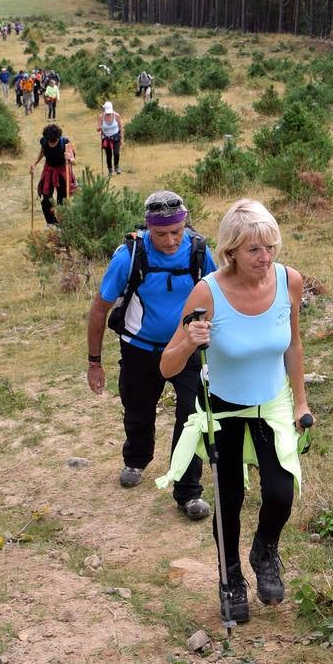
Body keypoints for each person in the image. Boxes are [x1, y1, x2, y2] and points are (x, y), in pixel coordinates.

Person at [159, 198, 313, 624]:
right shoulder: (208, 291)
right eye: (253, 250)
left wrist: (301, 400)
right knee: (228, 499)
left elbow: (294, 345)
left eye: (270, 247)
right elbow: (167, 365)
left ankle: (265, 550)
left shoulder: (289, 282)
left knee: (281, 493)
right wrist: (190, 340)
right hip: (223, 408)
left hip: (273, 404)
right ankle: (230, 579)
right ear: (230, 251)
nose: (265, 259)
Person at [86, 190, 216, 521]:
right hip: (139, 350)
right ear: (147, 228)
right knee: (138, 409)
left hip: (186, 349)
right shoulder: (128, 257)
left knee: (192, 418)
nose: (171, 241)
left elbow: (220, 297)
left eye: (177, 231)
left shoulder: (200, 252)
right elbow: (100, 308)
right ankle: (136, 458)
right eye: (161, 234)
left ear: (185, 223)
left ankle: (188, 493)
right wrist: (94, 362)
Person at [30, 124, 75, 226]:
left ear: (58, 138)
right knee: (46, 199)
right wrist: (35, 164)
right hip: (49, 171)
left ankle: (62, 224)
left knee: (62, 200)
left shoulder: (65, 143)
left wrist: (69, 158)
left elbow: (74, 161)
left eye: (54, 141)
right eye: (50, 141)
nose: (52, 143)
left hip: (62, 171)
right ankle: (51, 223)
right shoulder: (44, 141)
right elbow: (42, 152)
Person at [97, 101, 123, 175]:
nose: (108, 113)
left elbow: (121, 127)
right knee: (108, 155)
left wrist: (121, 139)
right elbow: (97, 128)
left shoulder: (117, 115)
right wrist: (99, 127)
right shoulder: (101, 117)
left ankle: (116, 166)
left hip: (116, 137)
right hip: (106, 138)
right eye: (107, 112)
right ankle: (110, 170)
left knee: (116, 153)